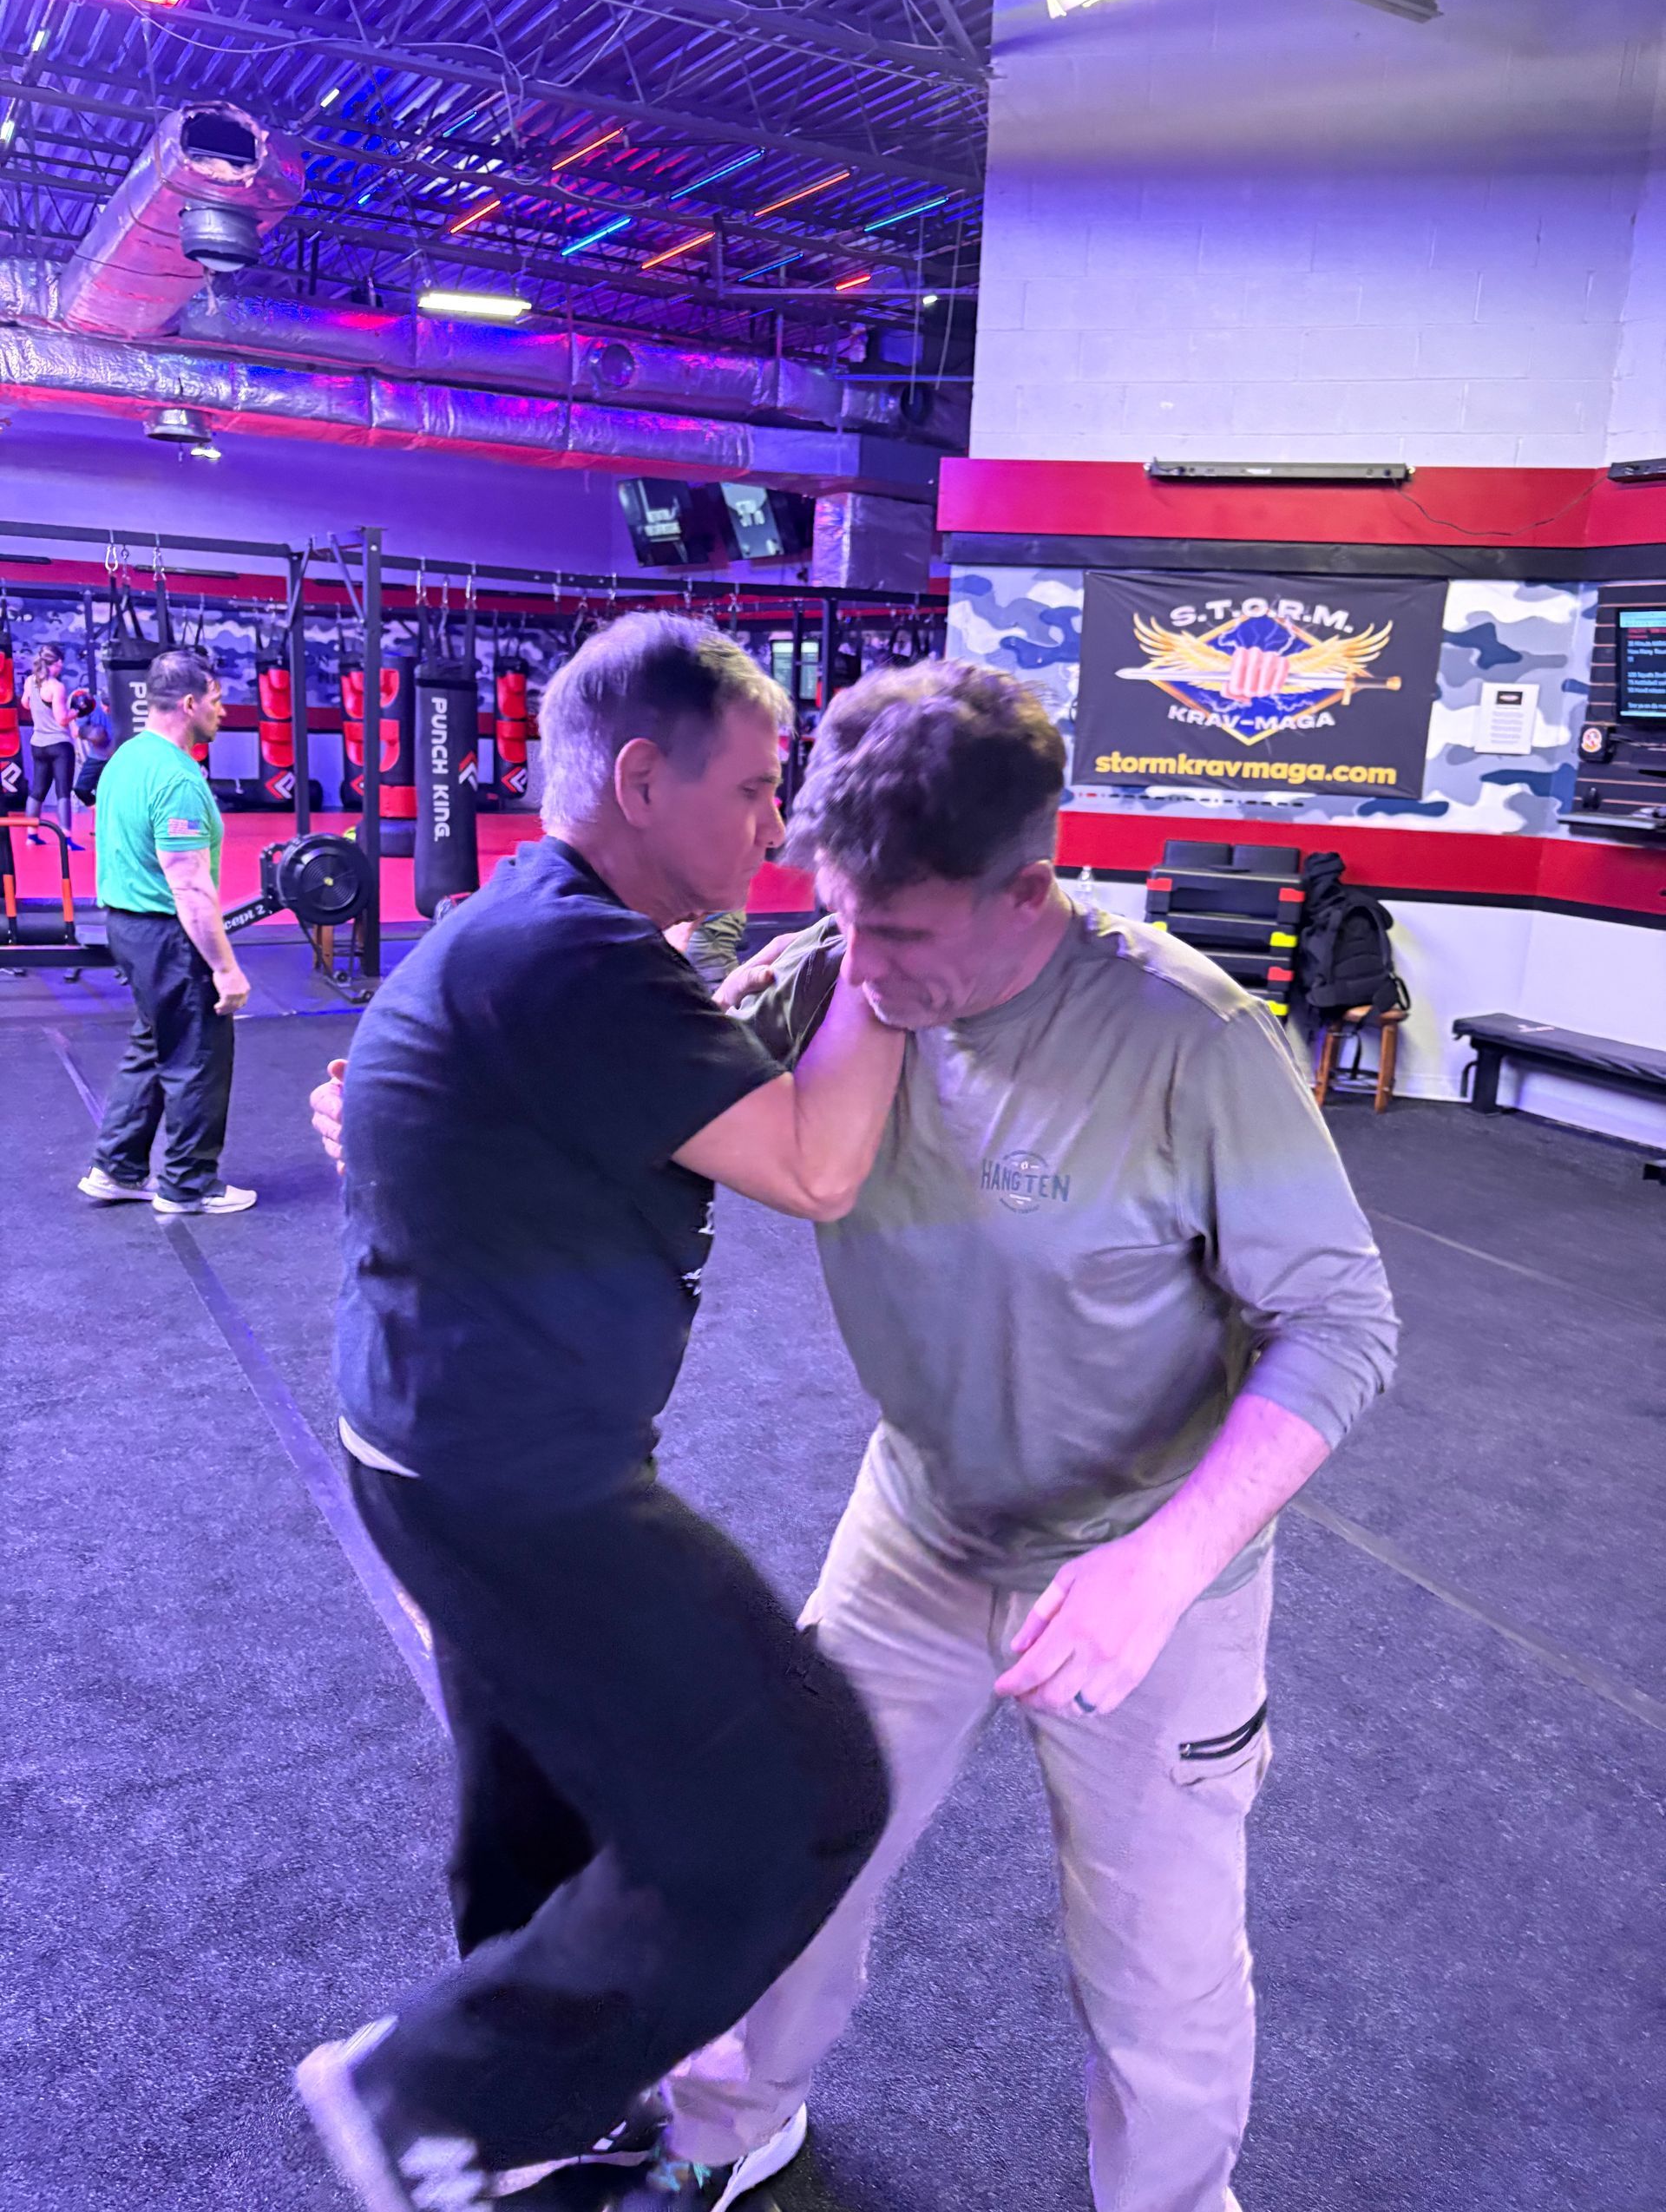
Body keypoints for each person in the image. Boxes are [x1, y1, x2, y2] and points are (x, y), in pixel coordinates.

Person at [310, 659, 1399, 2212]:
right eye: (842, 916)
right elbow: (597, 1077)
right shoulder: (835, 970)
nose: (862, 968)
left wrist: (1167, 1563)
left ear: (1029, 890)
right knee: (783, 1856)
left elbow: (1345, 1324)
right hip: (923, 1526)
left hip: (1149, 1559)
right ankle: (729, 2126)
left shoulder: (1190, 1041)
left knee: (1158, 1964)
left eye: (903, 935)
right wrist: (414, 1108)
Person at [296, 615, 902, 2212]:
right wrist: (891, 973)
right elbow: (817, 1167)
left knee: (546, 1786)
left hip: (435, 1435)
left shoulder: (533, 923)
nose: (777, 828)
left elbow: (433, 1094)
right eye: (754, 791)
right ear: (641, 779)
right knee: (799, 1788)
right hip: (516, 1473)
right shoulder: (576, 958)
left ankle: (524, 2129)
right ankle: (427, 2091)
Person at [76, 650, 255, 1217]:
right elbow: (191, 887)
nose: (223, 711)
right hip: (168, 935)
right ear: (190, 703)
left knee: (155, 1043)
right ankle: (189, 1184)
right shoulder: (177, 778)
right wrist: (226, 968)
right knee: (199, 1053)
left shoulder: (126, 758)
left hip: (125, 927)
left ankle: (117, 1168)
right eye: (217, 700)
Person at [23, 642, 81, 849]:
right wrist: (77, 711)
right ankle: (67, 839)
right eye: (60, 664)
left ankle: (31, 836)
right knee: (63, 791)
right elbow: (62, 719)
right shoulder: (56, 687)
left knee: (37, 790)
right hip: (59, 745)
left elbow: (25, 703)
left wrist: (40, 711)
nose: (61, 667)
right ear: (56, 663)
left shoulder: (30, 681)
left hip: (38, 745)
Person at [69, 686, 117, 806]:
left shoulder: (125, 708)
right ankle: (99, 812)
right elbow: (75, 732)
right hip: (97, 757)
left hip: (117, 758)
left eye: (109, 705)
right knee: (81, 790)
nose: (106, 708)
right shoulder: (91, 704)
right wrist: (88, 733)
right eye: (104, 704)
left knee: (111, 794)